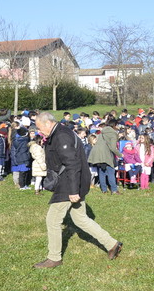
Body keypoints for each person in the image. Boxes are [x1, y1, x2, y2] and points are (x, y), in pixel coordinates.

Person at [34, 112, 122, 268]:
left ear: (48, 123)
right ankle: (112, 244)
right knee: (80, 219)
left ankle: (54, 258)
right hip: (73, 181)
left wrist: (74, 191)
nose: (39, 131)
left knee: (52, 220)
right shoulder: (59, 133)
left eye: (40, 127)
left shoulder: (61, 136)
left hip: (69, 184)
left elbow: (72, 165)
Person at [88, 118, 121, 195]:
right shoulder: (113, 133)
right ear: (114, 125)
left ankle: (104, 189)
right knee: (111, 171)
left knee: (102, 172)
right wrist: (120, 155)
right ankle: (114, 190)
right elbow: (113, 148)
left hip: (98, 154)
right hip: (106, 154)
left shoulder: (102, 132)